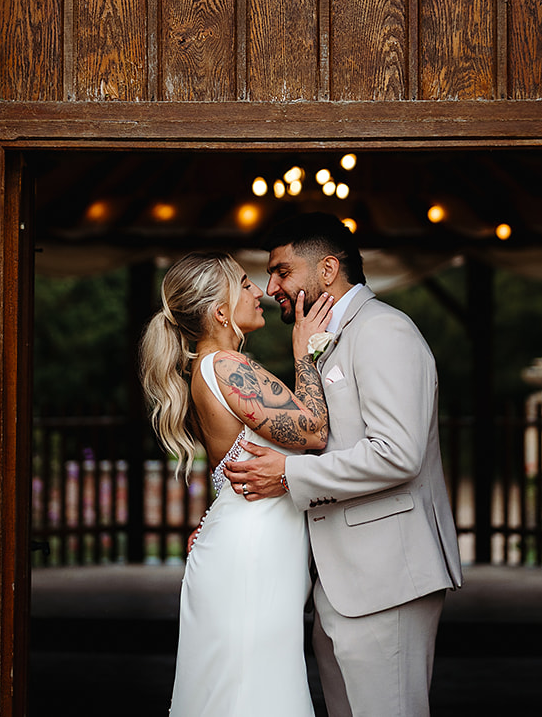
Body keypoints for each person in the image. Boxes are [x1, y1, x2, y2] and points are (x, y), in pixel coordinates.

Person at [225, 213, 463, 717]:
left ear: (328, 269)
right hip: (340, 581)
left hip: (387, 579)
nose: (271, 288)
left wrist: (288, 476)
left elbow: (396, 453)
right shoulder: (327, 339)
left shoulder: (383, 330)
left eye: (282, 272)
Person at [139, 251, 335, 717]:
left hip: (246, 543)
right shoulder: (226, 365)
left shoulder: (208, 368)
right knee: (255, 689)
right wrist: (304, 353)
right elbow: (313, 431)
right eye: (246, 283)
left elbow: (233, 467)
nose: (260, 292)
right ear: (221, 310)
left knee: (245, 686)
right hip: (252, 554)